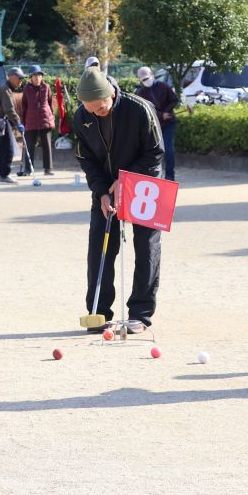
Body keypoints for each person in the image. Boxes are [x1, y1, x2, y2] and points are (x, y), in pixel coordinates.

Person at [73, 67, 164, 334]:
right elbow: (87, 160)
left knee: (146, 247)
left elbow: (155, 153)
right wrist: (102, 191)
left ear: (111, 95)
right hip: (106, 187)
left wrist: (126, 179)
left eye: (101, 108)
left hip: (145, 184)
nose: (96, 114)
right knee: (99, 248)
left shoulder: (140, 109)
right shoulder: (82, 117)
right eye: (90, 110)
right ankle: (98, 312)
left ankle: (140, 314)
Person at [135, 66, 180, 182]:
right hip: (153, 126)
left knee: (168, 150)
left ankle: (169, 176)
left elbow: (174, 99)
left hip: (168, 123)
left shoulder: (163, 86)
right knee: (154, 152)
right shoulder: (140, 93)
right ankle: (154, 176)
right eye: (143, 80)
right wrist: (161, 115)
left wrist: (167, 112)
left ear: (152, 75)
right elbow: (144, 110)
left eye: (147, 78)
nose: (146, 81)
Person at [21, 65, 56, 175]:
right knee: (29, 145)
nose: (37, 78)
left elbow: (50, 102)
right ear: (31, 77)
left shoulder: (46, 87)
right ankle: (28, 169)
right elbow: (24, 105)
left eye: (39, 75)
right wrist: (23, 122)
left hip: (45, 119)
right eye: (35, 76)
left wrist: (51, 117)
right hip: (31, 120)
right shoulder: (27, 89)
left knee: (47, 145)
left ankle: (48, 169)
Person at [0, 66, 24, 184]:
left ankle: (1, 175)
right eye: (19, 78)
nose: (21, 81)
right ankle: (4, 175)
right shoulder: (5, 90)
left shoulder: (7, 89)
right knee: (8, 150)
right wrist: (18, 123)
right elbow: (9, 110)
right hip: (3, 123)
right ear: (11, 77)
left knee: (4, 150)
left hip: (2, 122)